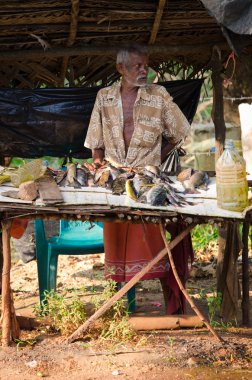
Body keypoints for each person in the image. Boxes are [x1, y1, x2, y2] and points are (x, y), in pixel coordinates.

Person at [84, 42, 192, 314]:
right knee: (117, 237)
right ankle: (119, 304)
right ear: (121, 68)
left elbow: (179, 130)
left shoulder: (159, 95)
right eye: (137, 66)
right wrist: (98, 164)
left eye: (146, 65)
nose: (144, 70)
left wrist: (155, 155)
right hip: (115, 175)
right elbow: (95, 139)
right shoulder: (104, 97)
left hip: (147, 176)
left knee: (156, 239)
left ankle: (168, 294)